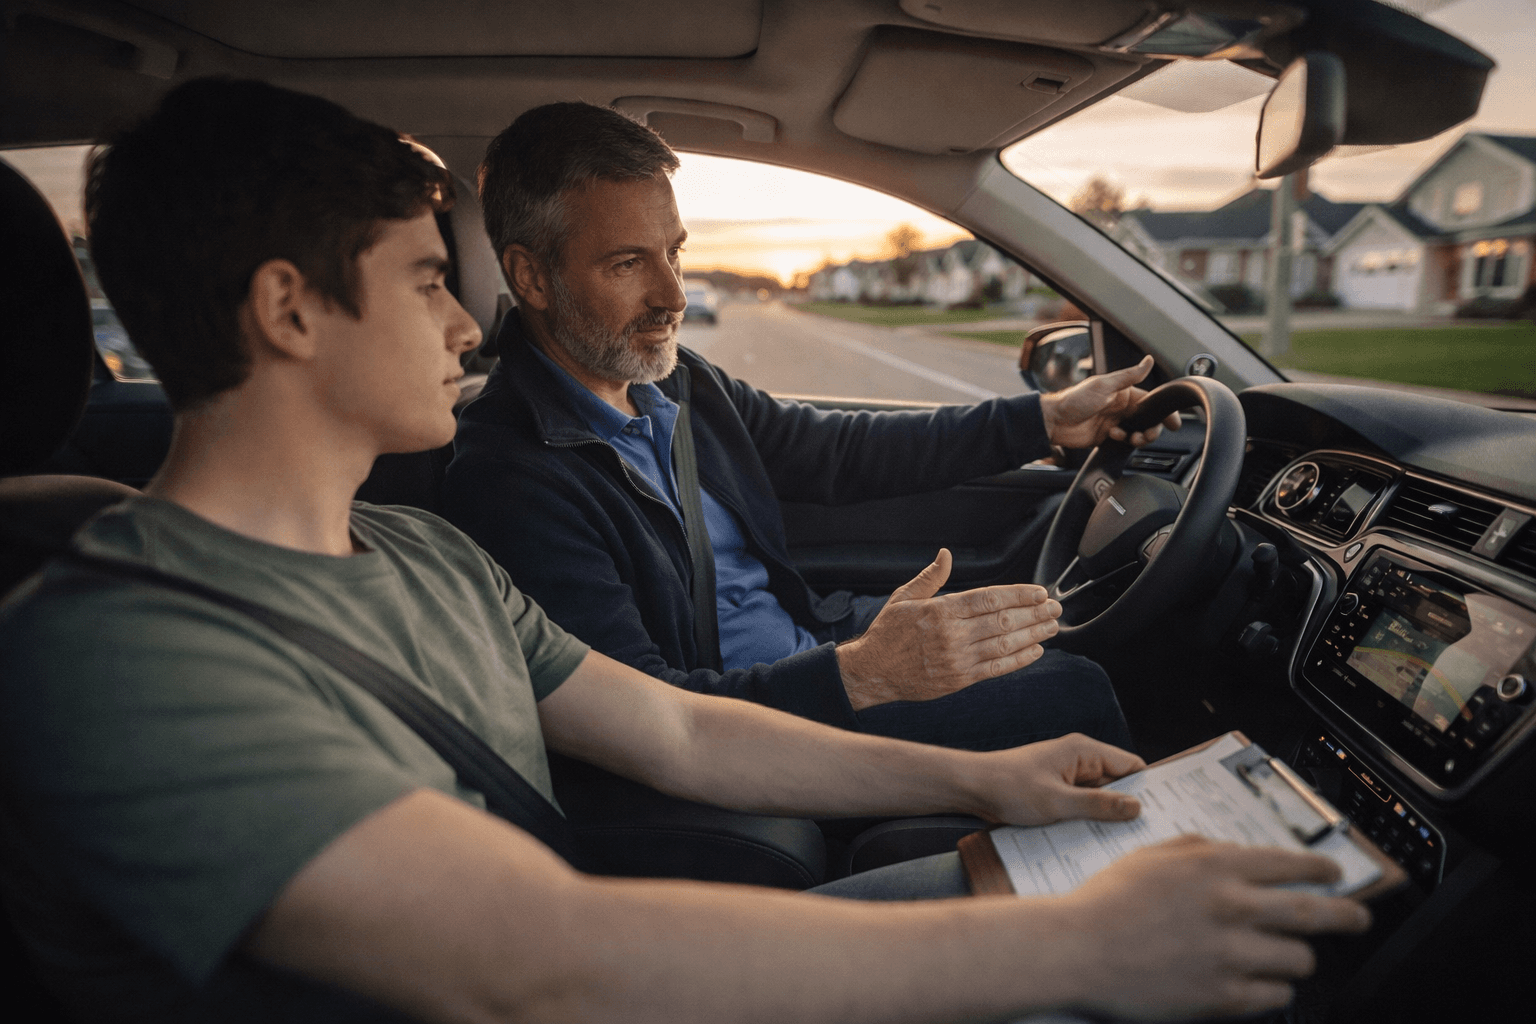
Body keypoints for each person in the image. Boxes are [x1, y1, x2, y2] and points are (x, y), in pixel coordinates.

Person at [0, 78, 1369, 1023]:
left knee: (1157, 876)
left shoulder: (419, 553)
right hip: (573, 970)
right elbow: (530, 966)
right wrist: (1075, 944)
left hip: (588, 953)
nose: (468, 328)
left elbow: (686, 740)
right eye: (428, 279)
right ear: (291, 310)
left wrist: (987, 778)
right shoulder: (111, 655)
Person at [443, 101, 1180, 754]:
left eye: (675, 252)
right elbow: (646, 714)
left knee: (1069, 641)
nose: (672, 294)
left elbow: (834, 449)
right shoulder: (510, 473)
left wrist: (1044, 420)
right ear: (532, 278)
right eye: (628, 262)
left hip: (816, 646)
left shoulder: (676, 381)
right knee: (1078, 690)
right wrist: (861, 676)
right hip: (765, 722)